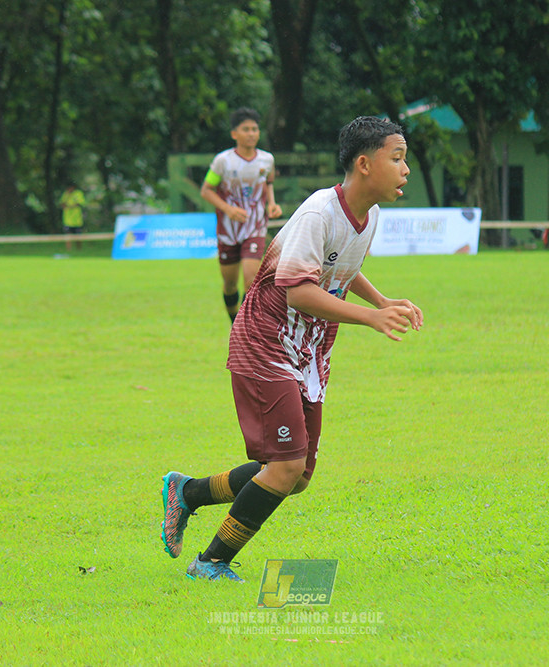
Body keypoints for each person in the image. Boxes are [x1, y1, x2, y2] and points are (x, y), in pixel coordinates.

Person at [161, 116, 423, 582]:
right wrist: (371, 318)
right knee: (284, 468)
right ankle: (211, 562)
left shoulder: (368, 215)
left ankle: (189, 493)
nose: (406, 169)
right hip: (265, 344)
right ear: (364, 164)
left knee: (295, 476)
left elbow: (341, 265)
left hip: (307, 351)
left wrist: (382, 300)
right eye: (397, 158)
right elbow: (298, 291)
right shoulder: (319, 211)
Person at [200, 107, 283, 322]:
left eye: (255, 129)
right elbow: (206, 190)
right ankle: (233, 323)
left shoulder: (267, 160)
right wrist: (228, 210)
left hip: (254, 227)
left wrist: (272, 203)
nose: (251, 133)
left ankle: (243, 327)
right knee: (229, 284)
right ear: (234, 134)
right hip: (228, 230)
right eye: (245, 129)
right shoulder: (222, 161)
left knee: (250, 282)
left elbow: (269, 182)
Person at [60, 184, 86, 250]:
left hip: (77, 220)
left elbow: (80, 203)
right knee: (68, 235)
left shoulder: (78, 193)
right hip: (67, 220)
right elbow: (62, 203)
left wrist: (70, 206)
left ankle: (79, 249)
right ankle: (69, 249)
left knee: (78, 235)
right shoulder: (65, 194)